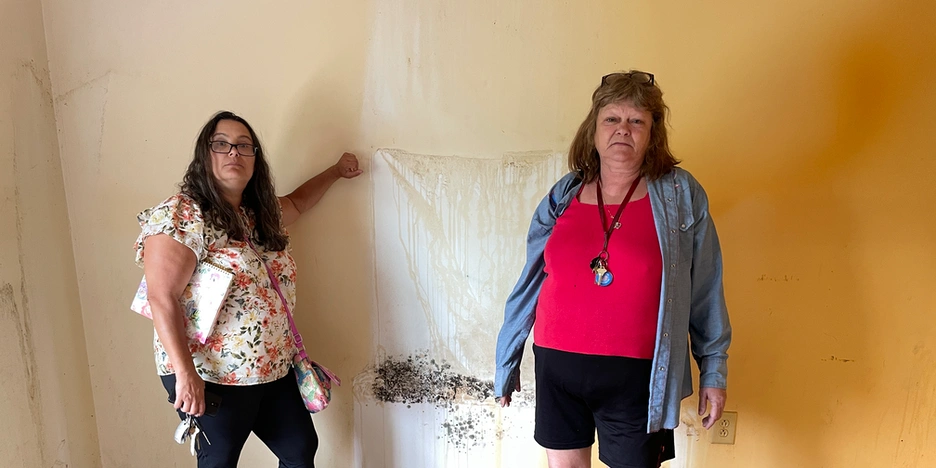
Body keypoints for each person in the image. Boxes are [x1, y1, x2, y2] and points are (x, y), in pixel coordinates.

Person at [494, 71, 731, 468]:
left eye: (636, 120)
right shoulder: (563, 194)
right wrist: (507, 357)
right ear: (594, 130)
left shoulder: (680, 195)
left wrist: (714, 370)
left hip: (637, 376)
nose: (623, 129)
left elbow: (705, 287)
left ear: (652, 134)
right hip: (556, 365)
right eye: (611, 118)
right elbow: (530, 281)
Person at [134, 110, 362, 467]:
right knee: (220, 461)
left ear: (255, 158)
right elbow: (161, 297)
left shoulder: (257, 214)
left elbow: (298, 202)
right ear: (204, 155)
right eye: (221, 144)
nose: (234, 153)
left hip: (272, 368)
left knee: (300, 450)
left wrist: (335, 171)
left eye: (244, 146)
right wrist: (185, 374)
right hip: (211, 375)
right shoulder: (183, 214)